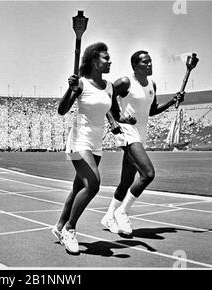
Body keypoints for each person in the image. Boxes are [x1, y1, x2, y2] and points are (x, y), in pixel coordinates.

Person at [52, 42, 129, 254]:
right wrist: (71, 89)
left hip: (96, 144)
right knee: (93, 184)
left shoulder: (110, 87)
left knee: (79, 188)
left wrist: (125, 120)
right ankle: (70, 229)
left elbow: (115, 113)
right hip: (78, 141)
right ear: (95, 61)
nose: (110, 61)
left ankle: (58, 226)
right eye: (106, 58)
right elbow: (62, 110)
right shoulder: (82, 84)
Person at [100, 50, 185, 235]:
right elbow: (106, 97)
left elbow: (152, 111)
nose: (150, 64)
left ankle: (108, 216)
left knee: (126, 181)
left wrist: (172, 101)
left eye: (150, 61)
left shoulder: (152, 85)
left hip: (140, 135)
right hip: (126, 132)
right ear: (135, 66)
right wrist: (114, 121)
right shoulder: (125, 82)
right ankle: (122, 211)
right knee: (148, 174)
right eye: (145, 62)